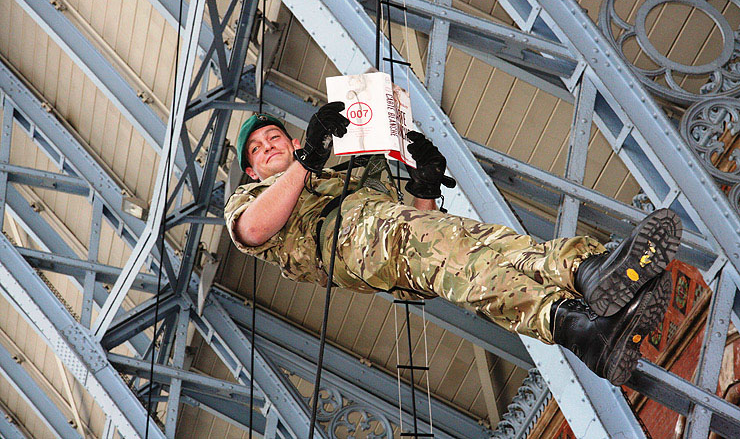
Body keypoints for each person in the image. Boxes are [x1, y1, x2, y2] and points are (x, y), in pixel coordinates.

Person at [224, 103, 682, 386]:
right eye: (257, 151)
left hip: (399, 239)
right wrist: (306, 161)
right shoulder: (250, 200)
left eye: (274, 138)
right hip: (356, 247)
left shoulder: (338, 171)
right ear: (250, 172)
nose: (267, 147)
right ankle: (571, 324)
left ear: (294, 139)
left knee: (491, 246)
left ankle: (586, 275)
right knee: (461, 260)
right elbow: (255, 230)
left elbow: (419, 232)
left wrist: (423, 185)